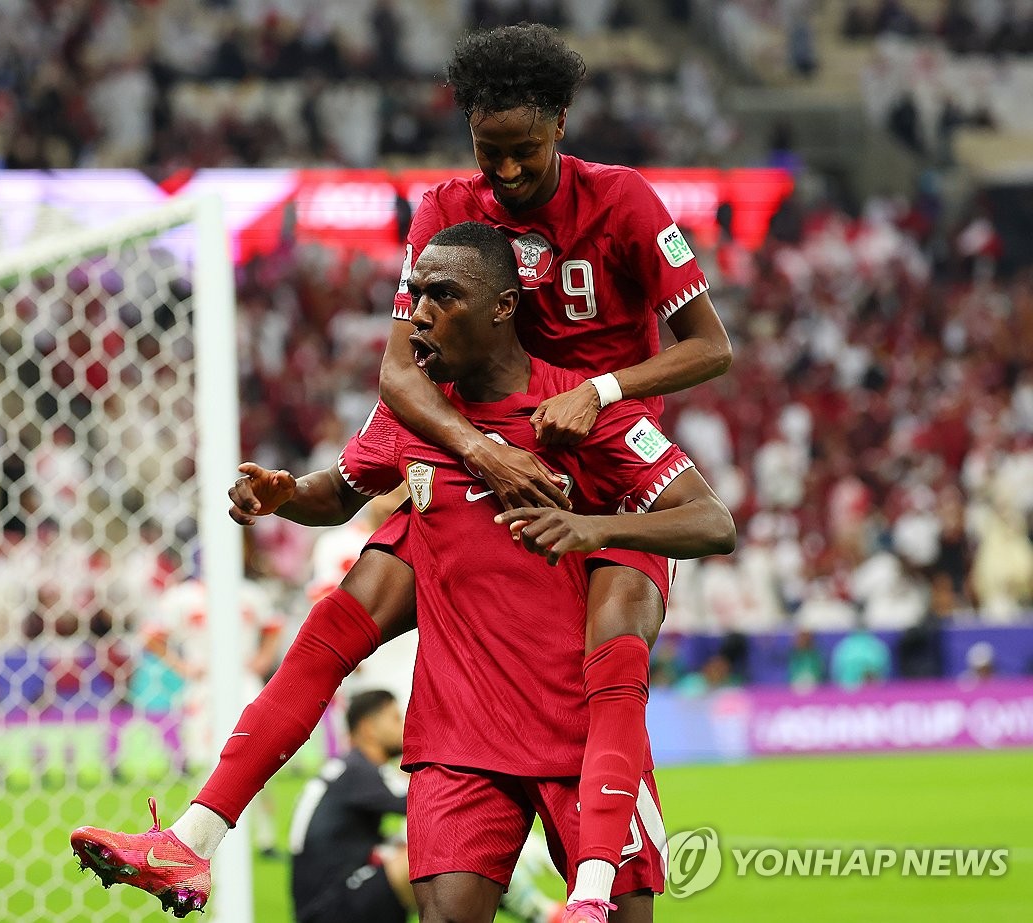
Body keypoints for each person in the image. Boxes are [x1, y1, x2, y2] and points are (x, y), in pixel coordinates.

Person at [127, 24, 730, 922]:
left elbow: (711, 350)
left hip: (599, 465)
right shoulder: (451, 211)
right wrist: (469, 451)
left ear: (561, 125)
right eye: (490, 154)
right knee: (336, 622)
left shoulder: (626, 202)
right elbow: (398, 376)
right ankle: (194, 836)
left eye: (524, 152)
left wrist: (600, 393)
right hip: (475, 448)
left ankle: (596, 887)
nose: (507, 174)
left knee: (612, 663)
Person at [290, 689, 413, 923]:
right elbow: (423, 804)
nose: (405, 727)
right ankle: (499, 894)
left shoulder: (348, 768)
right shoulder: (360, 772)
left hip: (319, 902)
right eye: (396, 718)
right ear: (369, 729)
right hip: (333, 908)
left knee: (404, 848)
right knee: (424, 855)